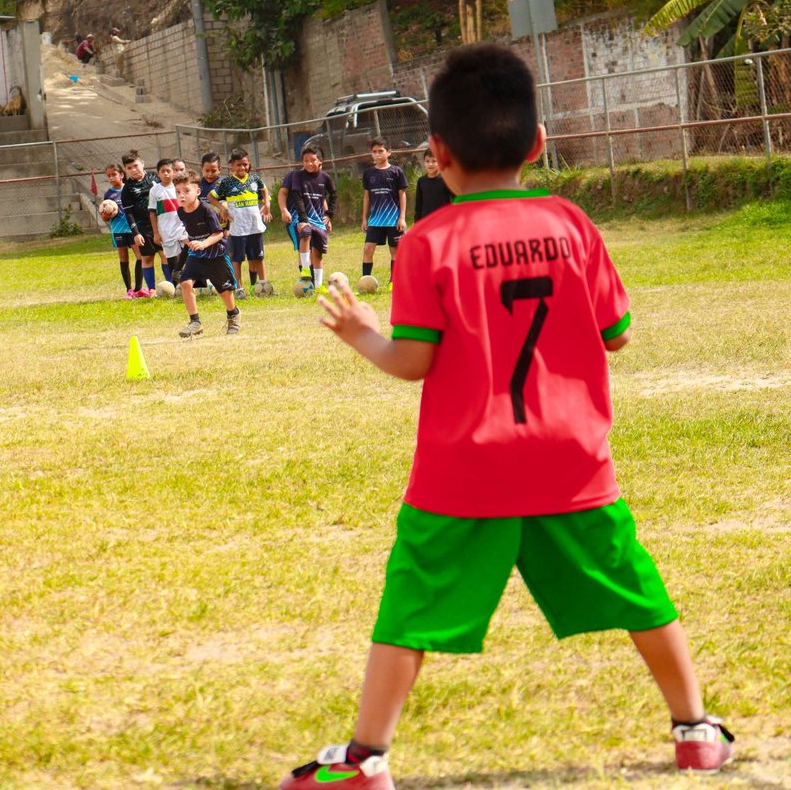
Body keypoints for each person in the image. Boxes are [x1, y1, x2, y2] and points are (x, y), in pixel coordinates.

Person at [280, 43, 734, 790]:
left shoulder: (428, 243)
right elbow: (617, 334)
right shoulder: (571, 225)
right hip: (572, 460)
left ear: (436, 154)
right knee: (636, 590)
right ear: (538, 144)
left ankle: (364, 760)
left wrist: (361, 331)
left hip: (465, 469)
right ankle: (694, 729)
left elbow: (414, 362)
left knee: (411, 605)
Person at [172, 171, 239, 338]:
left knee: (224, 291)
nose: (182, 195)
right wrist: (187, 240)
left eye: (186, 191)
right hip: (197, 256)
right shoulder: (181, 212)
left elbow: (218, 234)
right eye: (178, 191)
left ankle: (233, 315)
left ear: (198, 191)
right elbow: (188, 233)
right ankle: (195, 322)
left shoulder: (206, 210)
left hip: (216, 255)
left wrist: (203, 243)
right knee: (185, 283)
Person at [209, 147, 271, 297]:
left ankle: (263, 285)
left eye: (245, 164)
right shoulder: (227, 183)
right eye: (238, 165)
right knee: (237, 259)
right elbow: (211, 197)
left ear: (249, 164)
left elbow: (264, 189)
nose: (242, 167)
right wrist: (222, 209)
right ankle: (239, 288)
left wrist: (267, 204)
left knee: (258, 257)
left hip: (255, 227)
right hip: (237, 228)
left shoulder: (255, 178)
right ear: (231, 166)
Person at [279, 146, 336, 292]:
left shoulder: (324, 178)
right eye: (306, 161)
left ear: (320, 161)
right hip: (298, 217)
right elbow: (288, 194)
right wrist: (285, 211)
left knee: (317, 252)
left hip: (318, 220)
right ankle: (305, 275)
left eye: (313, 160)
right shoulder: (295, 176)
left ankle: (317, 285)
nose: (309, 163)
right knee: (304, 238)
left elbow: (326, 196)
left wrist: (328, 216)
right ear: (302, 162)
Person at [360, 138, 409, 284]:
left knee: (395, 251)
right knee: (368, 249)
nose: (377, 154)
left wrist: (402, 217)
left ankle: (393, 282)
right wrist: (364, 218)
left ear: (388, 152)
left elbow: (402, 195)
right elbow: (367, 196)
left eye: (380, 151)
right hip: (375, 220)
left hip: (393, 220)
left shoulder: (396, 171)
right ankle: (365, 282)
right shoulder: (368, 173)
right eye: (374, 152)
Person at [120, 149, 159, 297]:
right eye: (129, 168)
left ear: (142, 164)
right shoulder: (128, 189)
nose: (134, 170)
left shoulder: (154, 178)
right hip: (143, 228)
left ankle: (172, 285)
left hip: (160, 225)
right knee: (147, 258)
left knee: (165, 255)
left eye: (136, 165)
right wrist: (135, 233)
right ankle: (152, 290)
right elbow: (128, 213)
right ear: (125, 170)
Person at [103, 163, 142, 298]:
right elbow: (105, 217)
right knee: (123, 258)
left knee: (140, 257)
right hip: (118, 230)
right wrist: (106, 215)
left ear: (121, 175)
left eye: (114, 174)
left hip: (132, 229)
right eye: (108, 176)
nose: (111, 178)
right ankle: (129, 290)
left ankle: (138, 289)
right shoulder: (108, 194)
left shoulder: (129, 189)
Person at [147, 158, 185, 284]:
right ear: (158, 174)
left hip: (182, 228)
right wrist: (156, 233)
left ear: (173, 172)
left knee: (186, 255)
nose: (166, 174)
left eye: (168, 171)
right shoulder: (155, 190)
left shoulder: (179, 187)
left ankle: (189, 283)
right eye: (163, 171)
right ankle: (175, 285)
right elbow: (152, 212)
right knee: (172, 259)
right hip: (166, 230)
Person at [414, 146, 454, 222]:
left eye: (434, 161)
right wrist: (417, 222)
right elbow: (418, 205)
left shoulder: (446, 179)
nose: (430, 164)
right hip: (426, 221)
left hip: (444, 221)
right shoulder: (421, 181)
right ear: (424, 162)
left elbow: (455, 200)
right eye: (427, 161)